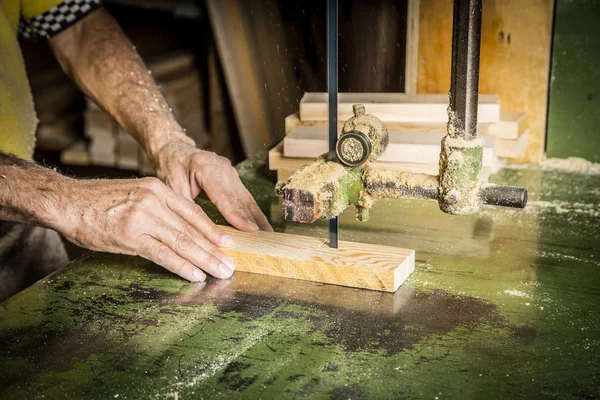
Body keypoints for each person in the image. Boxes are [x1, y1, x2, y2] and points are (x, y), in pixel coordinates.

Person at [0, 0, 272, 301]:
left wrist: (168, 141)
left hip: (25, 222)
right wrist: (65, 201)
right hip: (35, 201)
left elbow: (75, 25)